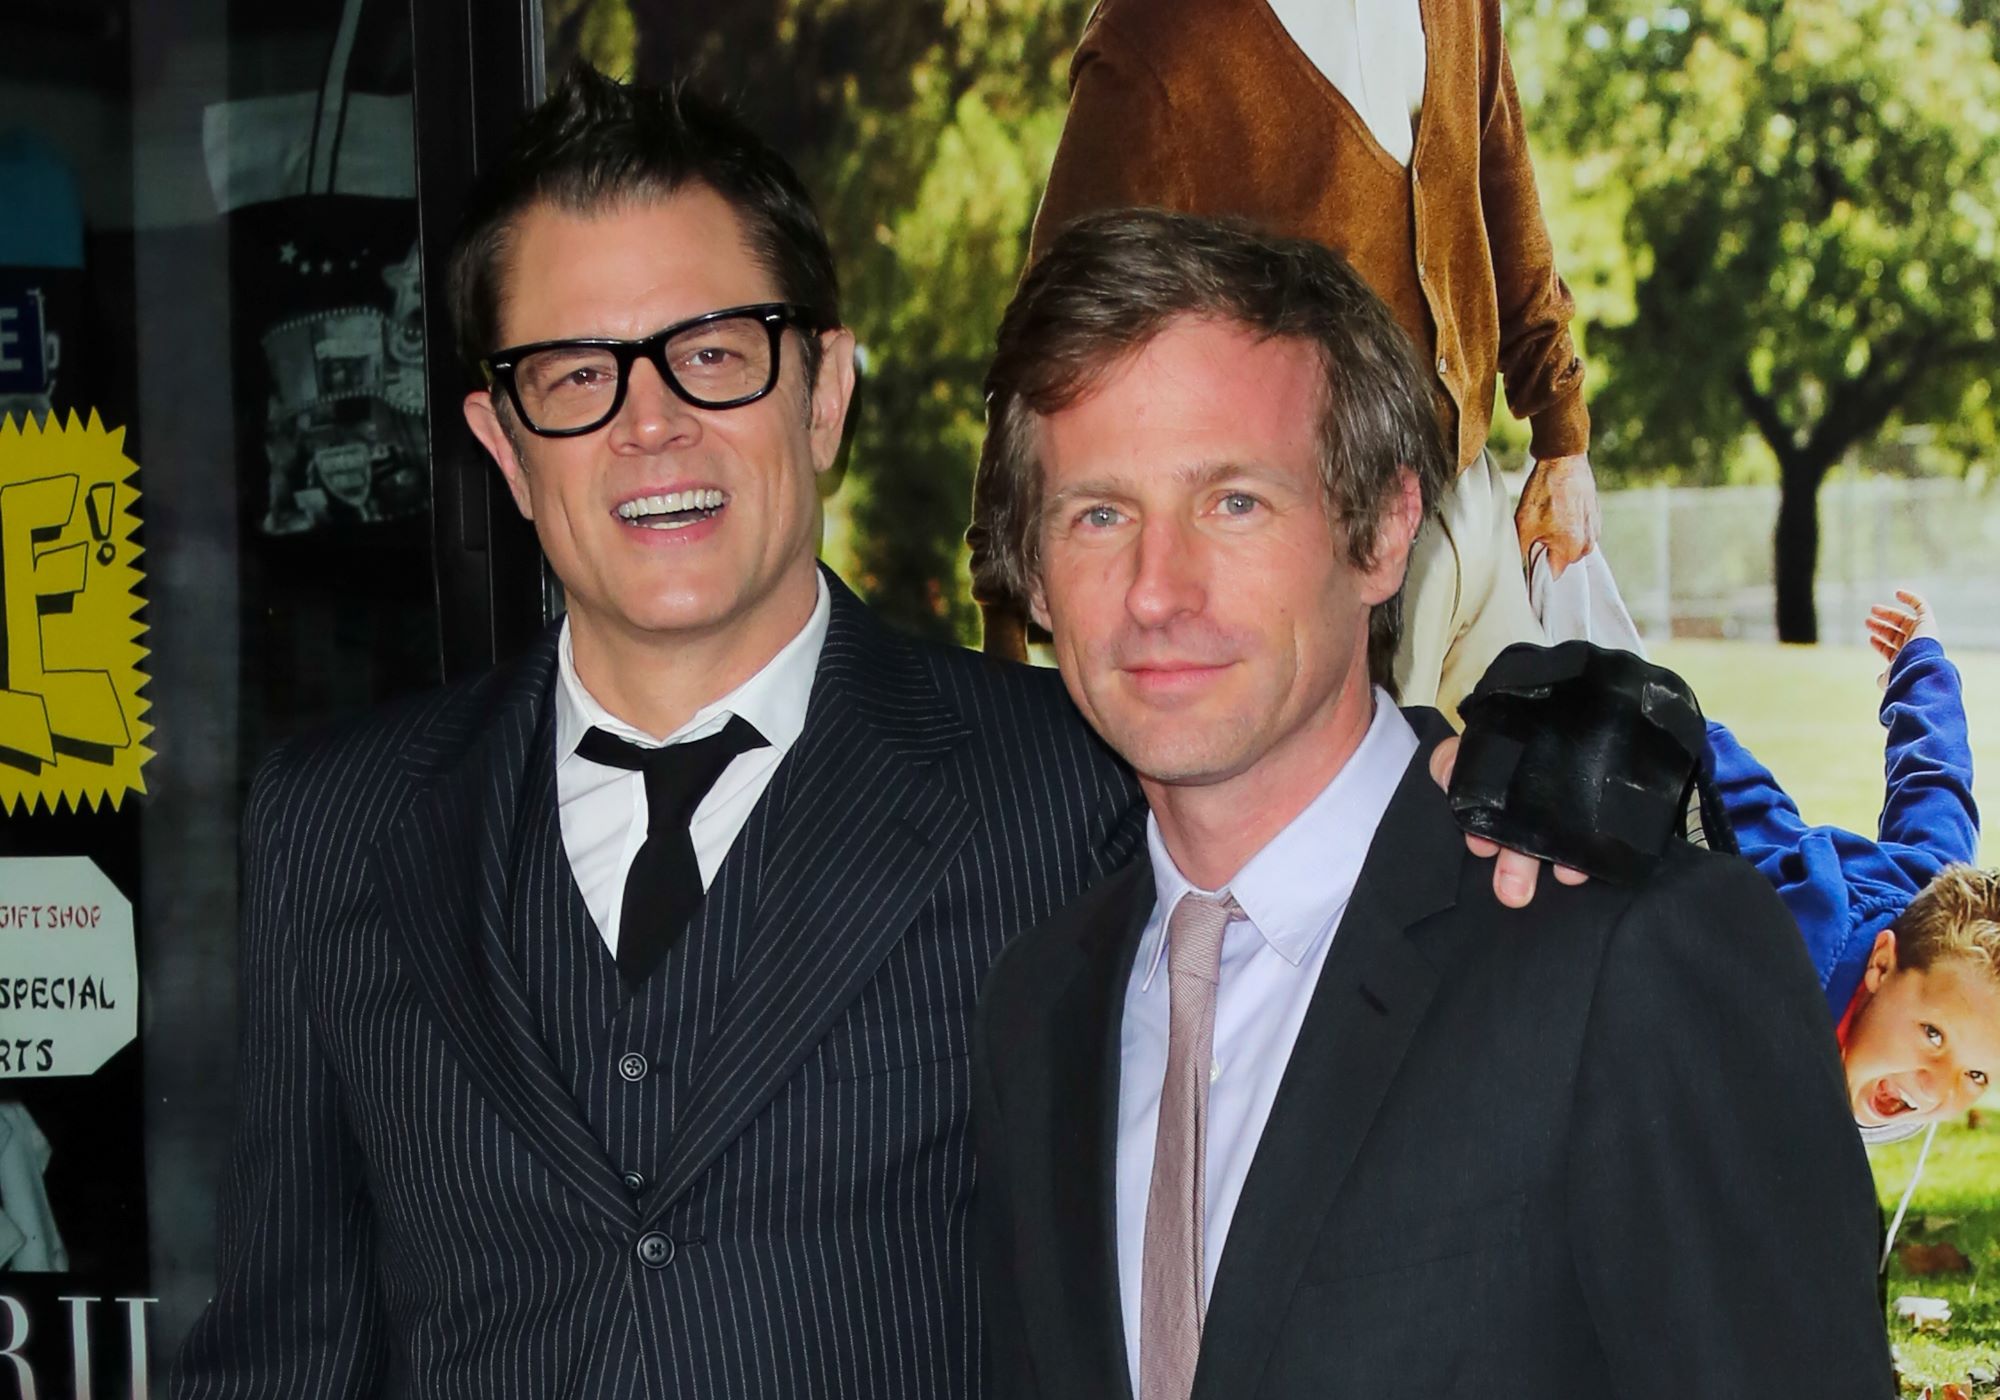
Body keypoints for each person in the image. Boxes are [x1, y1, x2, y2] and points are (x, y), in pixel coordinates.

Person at [170, 68, 1559, 1400]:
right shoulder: (336, 825)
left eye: (714, 355)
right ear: (502, 439)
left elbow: (1314, 779)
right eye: (576, 375)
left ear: (824, 391)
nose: (651, 426)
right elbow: (285, 1357)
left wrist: (1531, 771)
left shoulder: (1077, 779)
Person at [970, 208, 1892, 1398]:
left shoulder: (1617, 948)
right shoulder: (1036, 1008)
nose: (1157, 589)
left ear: (1384, 530)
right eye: (1098, 513)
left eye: (1233, 501)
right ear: (1033, 575)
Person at [969, 0, 1595, 728]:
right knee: (1376, 836)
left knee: (1543, 812)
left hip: (1473, 510)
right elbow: (1050, 343)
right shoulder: (1158, 33)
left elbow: (1503, 179)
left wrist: (1561, 436)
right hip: (1326, 564)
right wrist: (1003, 616)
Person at [1706, 590, 1997, 1138]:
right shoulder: (1774, 981)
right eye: (1933, 1035)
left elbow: (1936, 779)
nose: (1936, 1088)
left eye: (1977, 1073)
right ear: (1882, 964)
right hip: (1682, 767)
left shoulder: (1936, 911)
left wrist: (1921, 657)